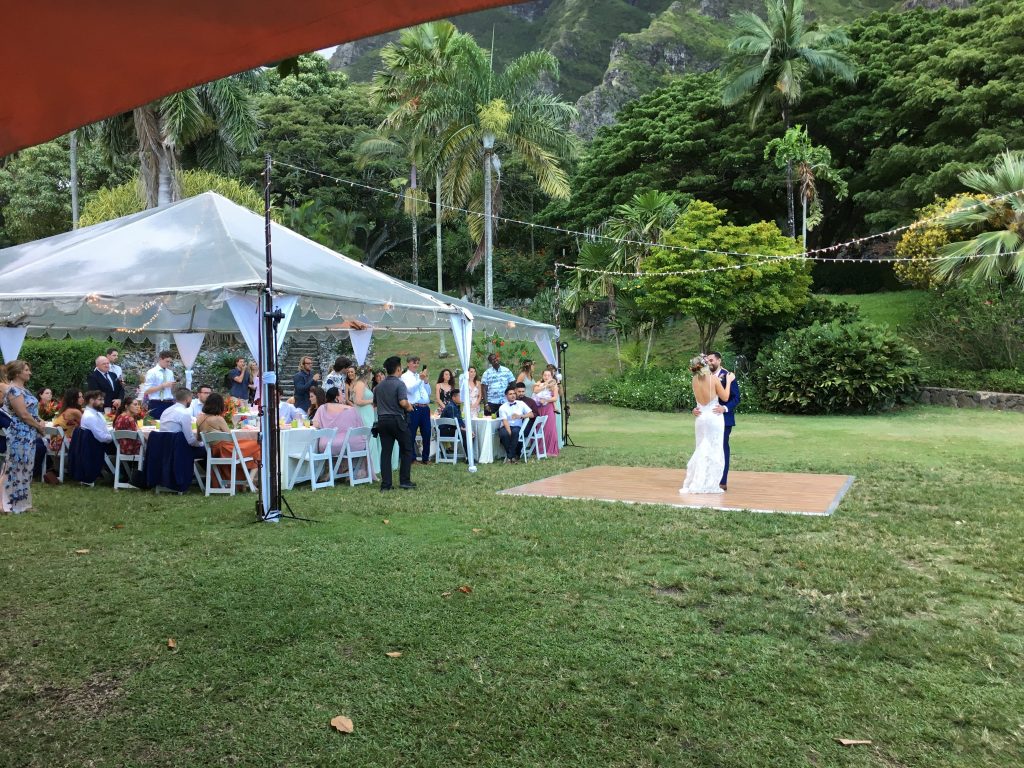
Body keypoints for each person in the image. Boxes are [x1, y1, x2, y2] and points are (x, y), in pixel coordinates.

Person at [680, 355, 734, 495]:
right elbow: (725, 397)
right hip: (714, 417)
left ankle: (697, 480)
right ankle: (710, 482)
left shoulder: (694, 380)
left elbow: (699, 400)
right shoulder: (714, 379)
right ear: (705, 365)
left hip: (701, 417)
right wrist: (728, 381)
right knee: (714, 449)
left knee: (701, 448)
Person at [1, 361, 48, 513]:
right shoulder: (14, 391)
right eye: (26, 370)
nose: (30, 373)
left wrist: (40, 420)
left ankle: (22, 503)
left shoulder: (24, 390)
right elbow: (23, 415)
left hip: (28, 433)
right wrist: (38, 426)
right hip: (19, 433)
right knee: (14, 467)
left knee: (25, 467)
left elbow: (31, 412)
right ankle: (5, 503)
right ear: (17, 373)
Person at [196, 392, 261, 486]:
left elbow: (198, 438)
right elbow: (230, 437)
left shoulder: (199, 418)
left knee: (255, 450)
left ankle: (249, 480)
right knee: (258, 445)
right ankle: (250, 481)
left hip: (213, 451)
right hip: (225, 450)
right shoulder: (218, 419)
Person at [697, 351, 740, 490]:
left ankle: (722, 480)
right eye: (707, 360)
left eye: (712, 360)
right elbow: (701, 395)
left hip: (724, 419)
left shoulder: (728, 376)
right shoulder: (703, 376)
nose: (709, 362)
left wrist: (725, 408)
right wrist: (695, 408)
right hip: (707, 418)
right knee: (706, 447)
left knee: (722, 447)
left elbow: (736, 398)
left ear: (719, 360)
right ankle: (707, 477)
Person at [373, 355, 415, 491]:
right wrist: (409, 407)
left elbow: (375, 404)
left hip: (382, 421)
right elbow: (403, 402)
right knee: (406, 448)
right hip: (396, 420)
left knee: (386, 452)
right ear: (398, 369)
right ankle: (404, 480)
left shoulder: (378, 387)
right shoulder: (399, 384)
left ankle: (386, 485)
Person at [312, 386, 367, 462]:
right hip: (352, 444)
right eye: (342, 395)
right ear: (336, 397)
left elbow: (315, 425)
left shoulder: (322, 408)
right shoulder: (351, 409)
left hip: (327, 445)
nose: (344, 397)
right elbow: (360, 428)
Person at [352, 367, 386, 475]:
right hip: (363, 413)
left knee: (372, 438)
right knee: (368, 438)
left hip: (368, 412)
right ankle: (369, 468)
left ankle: (373, 467)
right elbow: (358, 401)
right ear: (367, 374)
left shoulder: (365, 384)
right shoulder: (360, 384)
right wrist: (372, 400)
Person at [400, 355, 432, 465]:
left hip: (424, 407)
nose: (416, 365)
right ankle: (412, 458)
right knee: (411, 433)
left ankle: (425, 457)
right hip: (414, 406)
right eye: (414, 362)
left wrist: (426, 382)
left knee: (427, 432)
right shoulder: (404, 376)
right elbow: (410, 390)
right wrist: (420, 380)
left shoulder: (419, 376)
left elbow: (428, 392)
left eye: (418, 363)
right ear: (408, 363)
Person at [158, 387, 205, 458]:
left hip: (164, 449)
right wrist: (203, 443)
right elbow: (191, 441)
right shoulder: (184, 413)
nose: (191, 401)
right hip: (179, 450)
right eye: (191, 398)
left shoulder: (166, 411)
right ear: (187, 399)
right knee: (208, 451)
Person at [497, 385, 533, 463]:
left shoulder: (521, 403)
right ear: (506, 396)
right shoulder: (502, 407)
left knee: (516, 432)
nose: (513, 395)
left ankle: (509, 457)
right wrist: (509, 432)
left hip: (517, 426)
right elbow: (505, 421)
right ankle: (513, 456)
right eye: (510, 394)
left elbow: (531, 414)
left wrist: (521, 416)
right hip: (506, 426)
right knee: (504, 434)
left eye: (514, 393)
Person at [532, 368, 561, 457]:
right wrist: (544, 385)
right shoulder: (538, 383)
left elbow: (555, 398)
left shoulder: (554, 385)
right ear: (542, 376)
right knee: (539, 427)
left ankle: (550, 450)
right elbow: (535, 391)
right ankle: (539, 449)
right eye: (545, 375)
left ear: (551, 376)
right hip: (539, 408)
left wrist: (546, 400)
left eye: (548, 375)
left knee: (549, 428)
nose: (546, 377)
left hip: (548, 408)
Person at [142, 350, 177, 418]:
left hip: (169, 402)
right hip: (156, 403)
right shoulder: (152, 372)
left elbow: (171, 389)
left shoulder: (170, 372)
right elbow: (146, 391)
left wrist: (173, 385)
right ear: (160, 359)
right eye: (167, 361)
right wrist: (162, 386)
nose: (169, 364)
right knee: (156, 426)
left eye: (170, 362)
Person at [79, 390, 116, 454]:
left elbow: (105, 429)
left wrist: (114, 432)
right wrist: (115, 437)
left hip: (99, 445)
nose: (103, 402)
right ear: (91, 400)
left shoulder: (96, 413)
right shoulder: (90, 416)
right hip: (98, 448)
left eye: (103, 399)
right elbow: (102, 437)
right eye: (100, 400)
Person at [438, 388, 468, 456]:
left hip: (450, 429)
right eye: (460, 396)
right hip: (446, 431)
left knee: (468, 433)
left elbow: (459, 420)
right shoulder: (451, 407)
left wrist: (465, 428)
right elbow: (455, 423)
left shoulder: (455, 406)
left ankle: (468, 455)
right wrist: (464, 429)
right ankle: (468, 457)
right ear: (453, 398)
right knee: (467, 434)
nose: (462, 398)